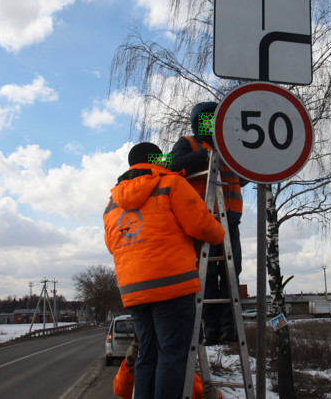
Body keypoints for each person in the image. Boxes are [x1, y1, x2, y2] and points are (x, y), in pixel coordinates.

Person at [104, 142, 225, 399]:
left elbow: (112, 245)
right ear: (156, 159)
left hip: (133, 290)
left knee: (147, 354)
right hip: (171, 284)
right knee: (173, 355)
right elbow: (201, 225)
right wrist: (220, 232)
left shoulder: (112, 203)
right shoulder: (170, 183)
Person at [170, 102, 246, 345]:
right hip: (203, 221)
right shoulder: (189, 144)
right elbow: (173, 165)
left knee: (231, 272)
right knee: (209, 273)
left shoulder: (231, 146)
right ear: (197, 122)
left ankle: (228, 327)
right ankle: (211, 327)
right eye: (208, 119)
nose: (212, 123)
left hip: (229, 219)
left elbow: (242, 177)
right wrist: (205, 157)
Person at [113, 337, 222, 399]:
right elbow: (122, 390)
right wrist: (129, 365)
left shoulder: (182, 372)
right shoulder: (144, 370)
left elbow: (198, 391)